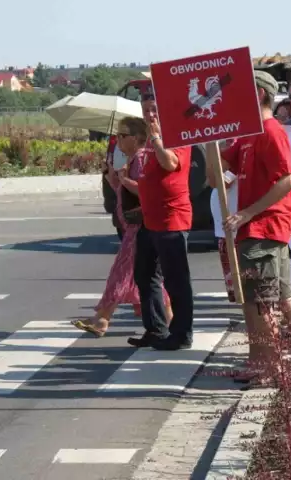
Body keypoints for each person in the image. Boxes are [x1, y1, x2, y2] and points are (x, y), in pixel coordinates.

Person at [207, 70, 291, 389]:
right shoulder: (249, 135)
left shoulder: (270, 130)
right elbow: (217, 177)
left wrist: (246, 214)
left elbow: (288, 180)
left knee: (260, 302)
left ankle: (271, 366)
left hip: (264, 229)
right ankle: (273, 360)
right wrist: (203, 141)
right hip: (257, 229)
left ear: (260, 96)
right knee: (266, 298)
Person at [71, 117, 172, 337]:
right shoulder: (133, 159)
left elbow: (145, 191)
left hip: (140, 226)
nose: (118, 140)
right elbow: (124, 193)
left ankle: (102, 318)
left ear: (136, 139)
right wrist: (112, 177)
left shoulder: (143, 158)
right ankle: (168, 315)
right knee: (143, 276)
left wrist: (124, 180)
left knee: (122, 273)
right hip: (132, 226)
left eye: (123, 136)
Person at [129, 84, 195, 351]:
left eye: (154, 109)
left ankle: (181, 334)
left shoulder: (176, 135)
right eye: (146, 110)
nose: (150, 115)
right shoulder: (148, 138)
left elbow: (170, 163)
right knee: (144, 275)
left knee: (176, 279)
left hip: (172, 218)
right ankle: (156, 328)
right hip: (150, 219)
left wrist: (155, 139)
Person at [209, 144, 238, 303]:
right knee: (230, 269)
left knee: (240, 271)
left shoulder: (238, 158)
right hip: (224, 225)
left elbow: (221, 181)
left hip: (235, 223)